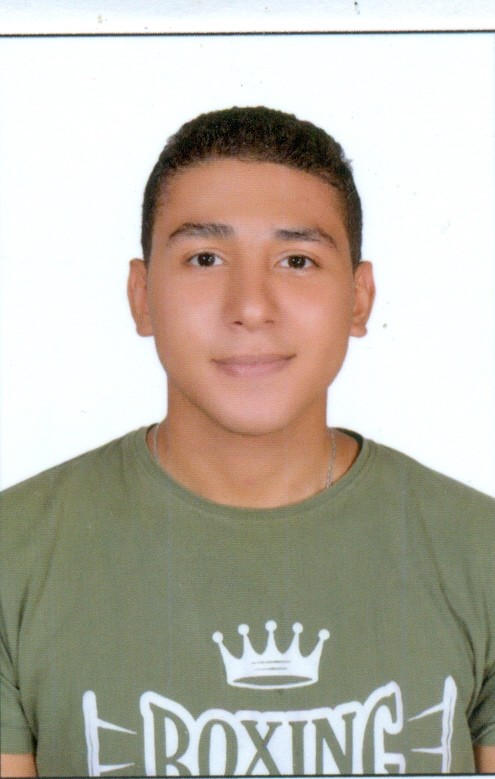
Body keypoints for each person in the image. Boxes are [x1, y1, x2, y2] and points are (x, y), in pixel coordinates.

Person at [1, 106, 494, 778]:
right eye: (205, 258)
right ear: (142, 296)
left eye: (297, 260)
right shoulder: (15, 554)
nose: (251, 307)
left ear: (358, 298)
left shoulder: (478, 552)